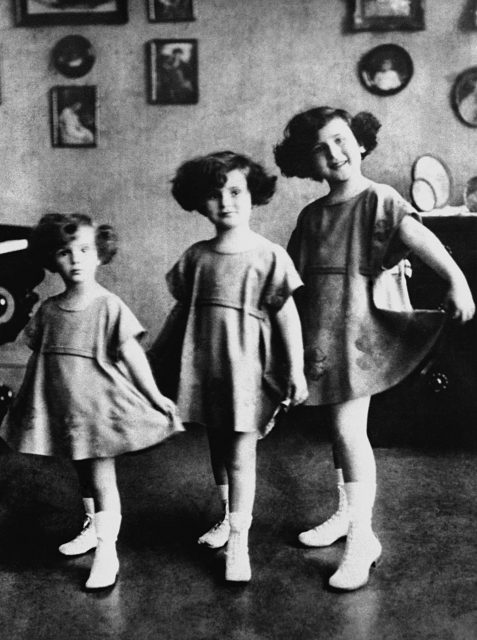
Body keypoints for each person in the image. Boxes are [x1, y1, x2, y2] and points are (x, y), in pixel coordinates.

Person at [274, 106, 475, 591]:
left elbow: (422, 239)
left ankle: (363, 538)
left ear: (359, 142)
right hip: (323, 335)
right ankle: (347, 513)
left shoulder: (379, 199)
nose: (335, 153)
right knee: (338, 431)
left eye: (341, 140)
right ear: (309, 162)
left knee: (347, 431)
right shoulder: (311, 215)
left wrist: (458, 282)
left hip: (359, 334)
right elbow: (293, 280)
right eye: (321, 149)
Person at [0, 213, 182, 590]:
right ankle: (91, 527)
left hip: (98, 408)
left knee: (101, 479)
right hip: (66, 410)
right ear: (52, 260)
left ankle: (107, 550)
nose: (77, 259)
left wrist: (155, 397)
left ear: (100, 254)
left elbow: (133, 358)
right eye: (65, 253)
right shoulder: (49, 310)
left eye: (84, 250)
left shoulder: (108, 305)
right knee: (82, 472)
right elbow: (39, 358)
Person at [150, 151, 307, 582]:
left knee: (240, 455)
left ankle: (240, 540)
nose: (227, 202)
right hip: (206, 366)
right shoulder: (197, 257)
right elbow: (181, 315)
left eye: (236, 191)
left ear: (252, 194)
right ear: (199, 204)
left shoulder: (267, 255)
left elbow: (286, 316)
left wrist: (294, 370)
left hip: (247, 371)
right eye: (214, 195)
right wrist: (155, 360)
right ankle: (226, 517)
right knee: (217, 449)